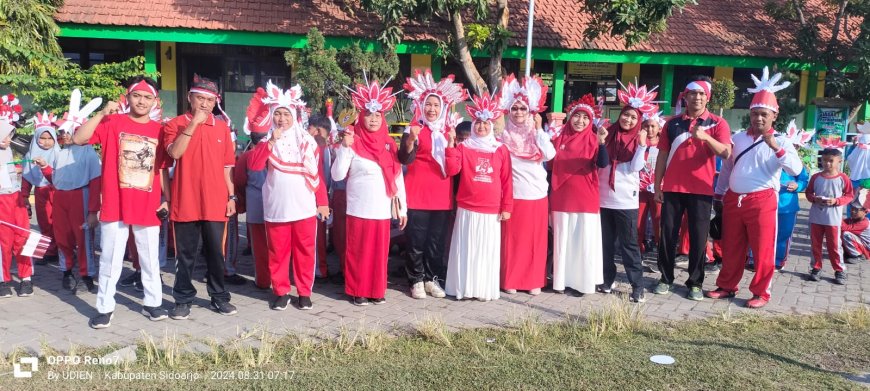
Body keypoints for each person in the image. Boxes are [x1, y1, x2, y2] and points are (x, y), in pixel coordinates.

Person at [71, 77, 173, 327]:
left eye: (147, 97)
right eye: (137, 96)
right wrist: (102, 112)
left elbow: (161, 168)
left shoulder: (160, 130)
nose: (141, 101)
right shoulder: (112, 122)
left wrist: (167, 199)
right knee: (110, 258)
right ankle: (105, 307)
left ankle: (153, 303)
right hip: (115, 204)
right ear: (127, 98)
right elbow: (78, 138)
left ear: (154, 102)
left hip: (148, 204)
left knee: (150, 258)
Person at [705, 67, 803, 308]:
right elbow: (727, 168)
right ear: (749, 114)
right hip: (733, 199)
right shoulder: (738, 138)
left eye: (764, 115)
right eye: (755, 113)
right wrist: (719, 193)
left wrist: (776, 147)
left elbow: (796, 169)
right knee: (731, 247)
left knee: (763, 249)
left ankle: (761, 292)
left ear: (773, 117)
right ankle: (727, 285)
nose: (759, 118)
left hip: (763, 200)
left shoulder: (781, 140)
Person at [246, 81, 330, 311]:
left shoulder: (308, 141)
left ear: (294, 116)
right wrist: (271, 141)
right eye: (278, 114)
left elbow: (318, 174)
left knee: (305, 252)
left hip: (304, 206)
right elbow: (254, 165)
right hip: (276, 206)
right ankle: (281, 291)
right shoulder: (267, 141)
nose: (282, 119)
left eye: (286, 114)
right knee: (278, 253)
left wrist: (322, 202)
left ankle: (304, 292)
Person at [163, 74, 238, 318]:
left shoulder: (223, 128)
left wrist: (232, 197)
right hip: (186, 201)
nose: (205, 104)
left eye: (210, 100)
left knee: (216, 253)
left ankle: (218, 296)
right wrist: (194, 123)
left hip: (216, 202)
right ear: (189, 98)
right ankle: (183, 298)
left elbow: (228, 168)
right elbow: (174, 153)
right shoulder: (175, 124)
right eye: (200, 98)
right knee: (185, 255)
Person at [653, 76, 732, 301]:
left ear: (708, 98)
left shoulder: (718, 123)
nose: (697, 98)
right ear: (685, 97)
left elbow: (726, 153)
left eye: (701, 94)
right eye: (692, 94)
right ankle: (665, 278)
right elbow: (662, 155)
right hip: (673, 188)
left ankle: (695, 283)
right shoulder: (672, 123)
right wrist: (658, 184)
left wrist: (705, 137)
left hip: (702, 190)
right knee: (667, 235)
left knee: (699, 238)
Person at [331, 78, 407, 306]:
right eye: (368, 115)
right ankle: (357, 291)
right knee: (358, 252)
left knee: (379, 254)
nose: (373, 119)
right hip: (358, 207)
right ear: (361, 116)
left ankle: (376, 290)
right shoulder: (352, 141)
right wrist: (344, 148)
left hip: (382, 209)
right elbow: (337, 175)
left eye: (377, 115)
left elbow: (398, 177)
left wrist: (402, 209)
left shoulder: (390, 145)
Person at [399, 70, 466, 299]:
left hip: (442, 196)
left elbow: (454, 169)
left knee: (436, 243)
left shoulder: (448, 132)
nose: (432, 109)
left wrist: (449, 143)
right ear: (421, 106)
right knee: (416, 242)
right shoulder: (414, 129)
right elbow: (404, 159)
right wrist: (410, 140)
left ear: (443, 108)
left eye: (436, 105)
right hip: (417, 194)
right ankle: (416, 279)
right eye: (428, 105)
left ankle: (432, 279)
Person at [444, 92, 513, 301]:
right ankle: (463, 288)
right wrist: (450, 146)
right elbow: (453, 170)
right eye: (478, 123)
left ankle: (483, 290)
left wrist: (507, 207)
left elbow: (507, 180)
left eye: (485, 123)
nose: (481, 127)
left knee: (485, 252)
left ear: (491, 126)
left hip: (491, 210)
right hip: (467, 207)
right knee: (467, 250)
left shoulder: (500, 149)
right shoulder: (464, 147)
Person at [35, 89, 102, 293]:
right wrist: (45, 167)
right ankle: (66, 271)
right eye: (61, 132)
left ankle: (86, 275)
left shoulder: (89, 153)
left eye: (65, 131)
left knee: (82, 239)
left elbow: (96, 182)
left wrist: (92, 211)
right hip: (61, 198)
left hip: (79, 197)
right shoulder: (60, 152)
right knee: (62, 236)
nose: (62, 134)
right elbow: (56, 179)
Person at [599, 83, 660, 302]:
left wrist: (642, 145)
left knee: (629, 245)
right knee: (606, 243)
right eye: (626, 115)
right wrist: (602, 141)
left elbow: (635, 167)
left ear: (639, 122)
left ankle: (637, 286)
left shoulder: (638, 141)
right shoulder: (609, 134)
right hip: (604, 198)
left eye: (634, 118)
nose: (628, 120)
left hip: (626, 200)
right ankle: (607, 280)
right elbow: (601, 162)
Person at [498, 74, 556, 295]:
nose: (519, 113)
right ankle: (510, 279)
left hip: (536, 195)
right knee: (512, 242)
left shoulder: (538, 134)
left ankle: (534, 281)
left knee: (535, 241)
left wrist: (540, 130)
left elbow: (550, 155)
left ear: (530, 110)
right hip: (513, 196)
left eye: (523, 108)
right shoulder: (503, 136)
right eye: (515, 109)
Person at [549, 94, 608, 296]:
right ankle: (560, 282)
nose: (580, 121)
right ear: (570, 116)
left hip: (586, 198)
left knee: (583, 242)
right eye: (577, 116)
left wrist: (601, 143)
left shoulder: (594, 140)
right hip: (561, 197)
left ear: (590, 121)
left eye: (585, 118)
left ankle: (583, 283)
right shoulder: (558, 139)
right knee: (563, 240)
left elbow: (602, 163)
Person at [0, 94, 34, 298]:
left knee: (23, 238)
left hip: (16, 199)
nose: (8, 139)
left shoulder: (10, 151)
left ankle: (26, 278)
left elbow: (14, 173)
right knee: (2, 242)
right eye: (4, 134)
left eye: (10, 134)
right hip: (1, 201)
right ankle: (3, 279)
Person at [805, 146, 854, 285]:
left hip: (833, 219)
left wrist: (837, 201)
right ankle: (816, 268)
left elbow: (849, 195)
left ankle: (839, 270)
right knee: (816, 244)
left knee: (834, 245)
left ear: (839, 161)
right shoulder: (815, 177)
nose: (827, 164)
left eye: (831, 161)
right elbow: (808, 193)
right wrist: (815, 199)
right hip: (816, 217)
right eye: (825, 160)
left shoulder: (843, 178)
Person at [21, 112, 60, 265]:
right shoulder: (29, 156)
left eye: (50, 138)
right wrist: (24, 196)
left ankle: (65, 249)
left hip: (58, 192)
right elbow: (26, 177)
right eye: (42, 138)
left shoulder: (59, 154)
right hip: (40, 192)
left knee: (59, 222)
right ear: (36, 138)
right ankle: (50, 252)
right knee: (44, 222)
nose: (46, 142)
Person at [237, 109, 269, 290]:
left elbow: (240, 180)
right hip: (273, 203)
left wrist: (242, 200)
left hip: (255, 202)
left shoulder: (246, 156)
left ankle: (263, 279)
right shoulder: (275, 152)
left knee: (259, 246)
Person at [775, 120, 813, 270]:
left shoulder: (799, 165)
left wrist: (798, 186)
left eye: (795, 147)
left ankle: (778, 261)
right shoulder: (772, 159)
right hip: (768, 203)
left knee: (784, 234)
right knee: (761, 233)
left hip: (788, 205)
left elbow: (804, 180)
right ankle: (754, 258)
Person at [638, 111, 665, 254]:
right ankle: (638, 250)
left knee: (658, 221)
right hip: (640, 189)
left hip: (658, 189)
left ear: (659, 127)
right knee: (638, 222)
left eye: (653, 126)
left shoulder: (665, 145)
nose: (650, 130)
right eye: (646, 126)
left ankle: (661, 251)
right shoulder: (638, 143)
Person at [842, 189, 870, 263]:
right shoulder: (852, 219)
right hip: (861, 245)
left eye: (857, 210)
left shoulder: (865, 222)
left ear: (865, 212)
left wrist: (837, 216)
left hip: (867, 249)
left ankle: (858, 256)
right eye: (852, 209)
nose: (853, 211)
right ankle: (848, 253)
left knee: (846, 234)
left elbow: (844, 227)